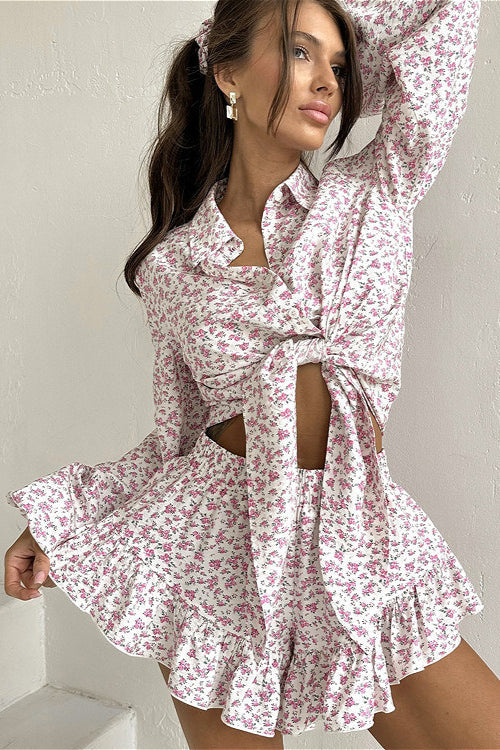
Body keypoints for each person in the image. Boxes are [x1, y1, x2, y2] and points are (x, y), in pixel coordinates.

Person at [4, 0, 500, 748]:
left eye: (339, 66)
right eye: (300, 52)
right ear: (227, 71)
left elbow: (448, 15)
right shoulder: (174, 265)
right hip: (212, 548)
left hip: (356, 535)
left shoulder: (373, 193)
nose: (328, 82)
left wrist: (327, 17)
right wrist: (62, 521)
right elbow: (175, 443)